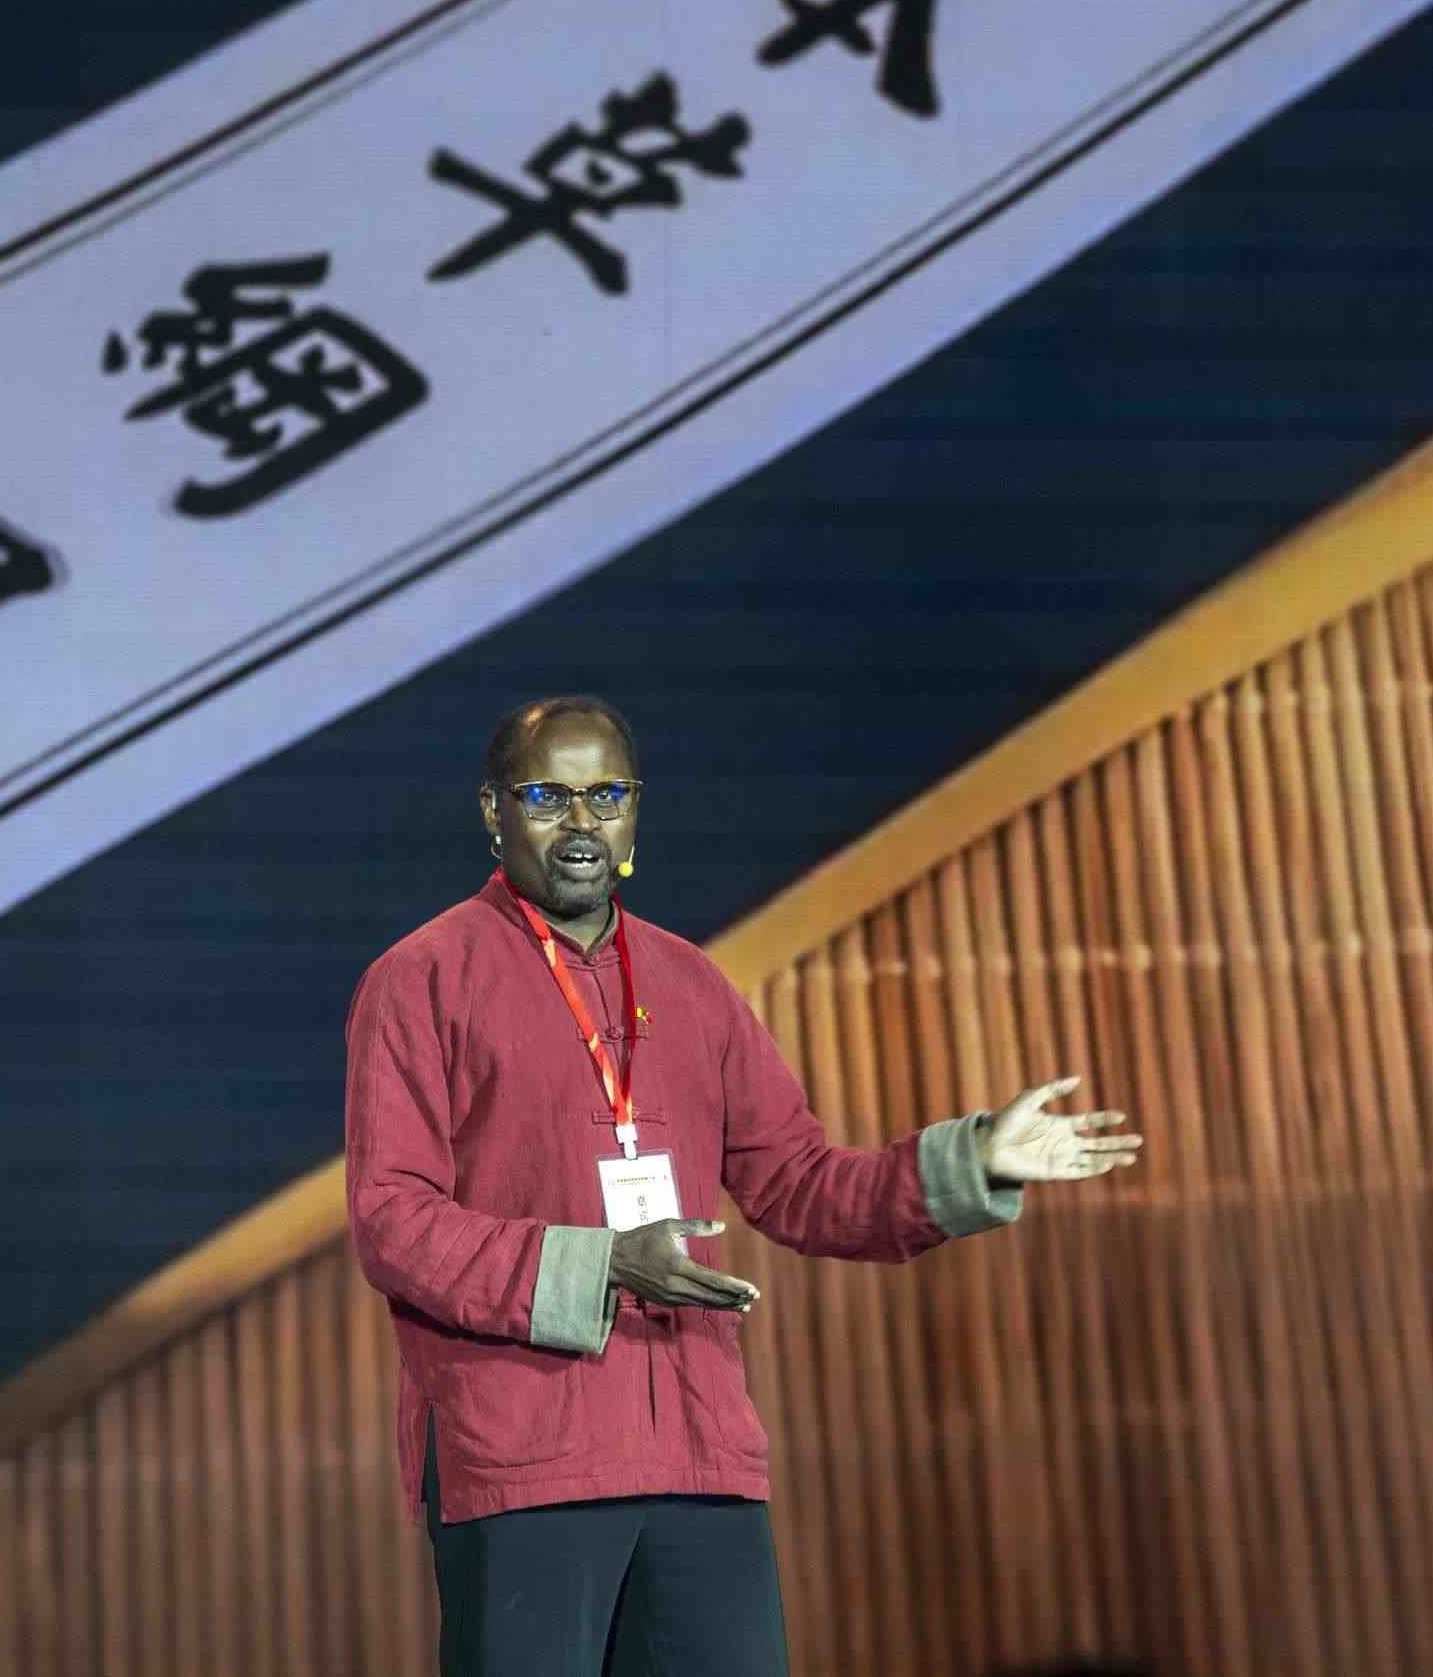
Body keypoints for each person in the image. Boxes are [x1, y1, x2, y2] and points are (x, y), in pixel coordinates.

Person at [344, 694, 1143, 1677]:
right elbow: (393, 1221)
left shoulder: (691, 983)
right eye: (548, 796)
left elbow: (800, 1183)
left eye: (607, 796)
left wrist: (970, 1162)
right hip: (522, 1457)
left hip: (701, 1454)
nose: (582, 823)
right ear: (493, 810)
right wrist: (601, 1264)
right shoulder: (420, 978)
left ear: (635, 811)